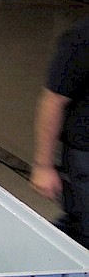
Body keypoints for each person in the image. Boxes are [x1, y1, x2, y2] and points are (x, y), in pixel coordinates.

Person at [30, 16, 89, 249]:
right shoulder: (82, 36)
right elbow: (53, 100)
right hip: (84, 156)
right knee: (81, 234)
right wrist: (43, 165)